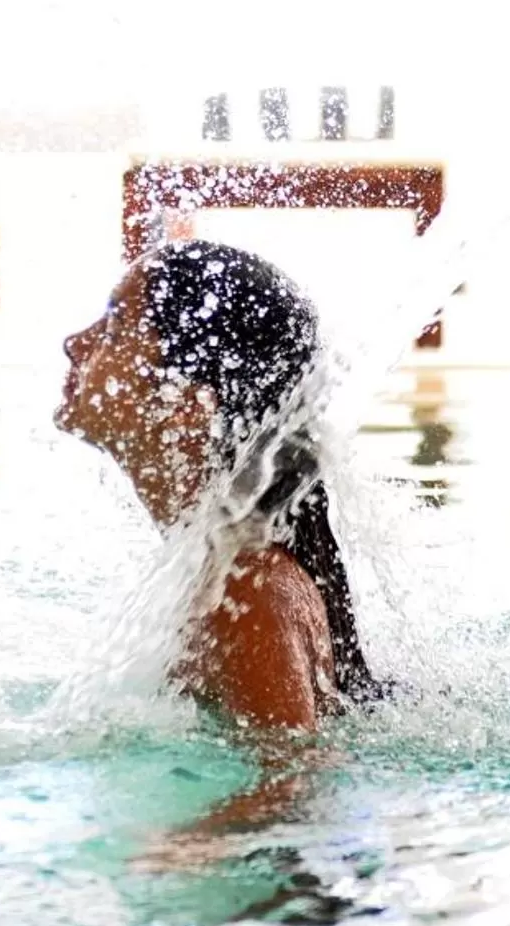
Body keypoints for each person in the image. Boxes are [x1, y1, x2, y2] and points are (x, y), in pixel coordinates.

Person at [56, 240, 382, 735]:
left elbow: (291, 795)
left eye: (117, 327)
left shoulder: (247, 593)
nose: (75, 343)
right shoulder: (214, 573)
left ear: (188, 406)